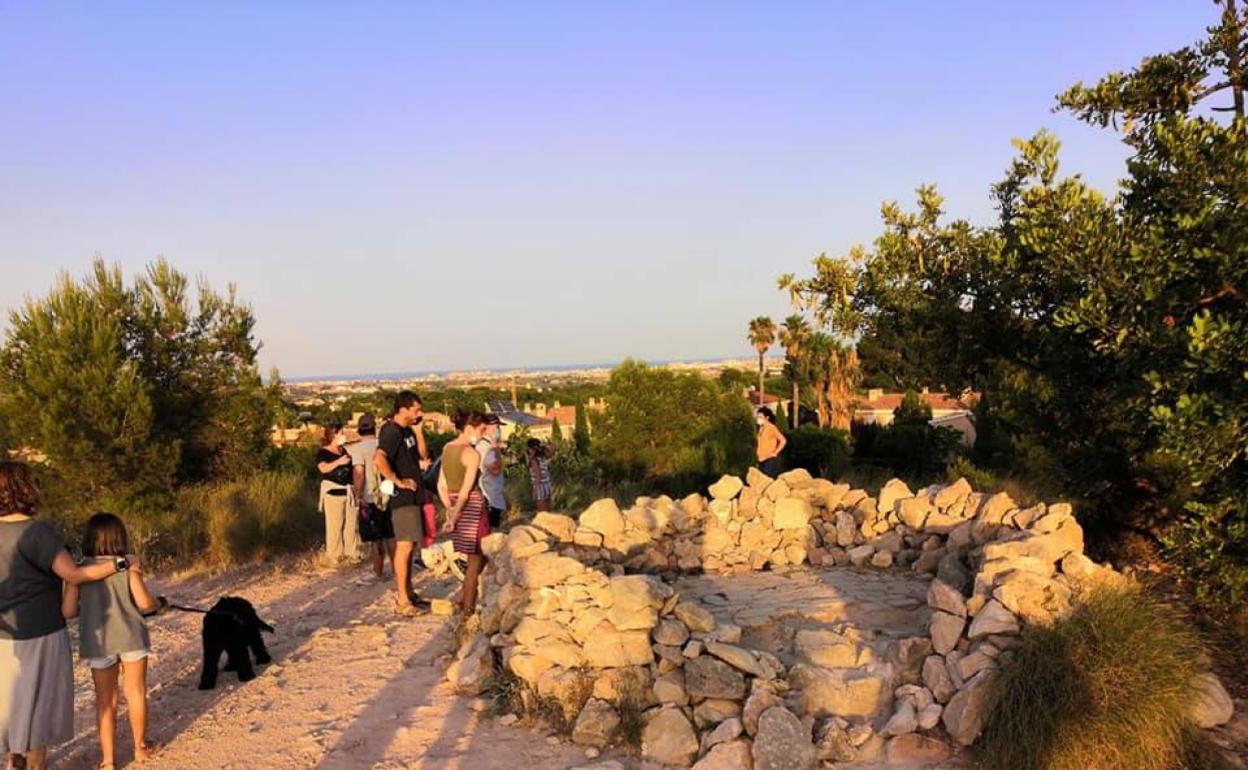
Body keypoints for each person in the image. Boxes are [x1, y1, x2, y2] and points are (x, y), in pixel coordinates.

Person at [0, 462, 125, 770]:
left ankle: (13, 760)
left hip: (4, 638)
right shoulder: (38, 532)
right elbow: (73, 574)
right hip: (41, 633)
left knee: (12, 705)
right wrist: (118, 565)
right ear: (27, 488)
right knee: (38, 708)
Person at [62, 513, 166, 770]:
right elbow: (144, 604)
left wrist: (77, 588)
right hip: (131, 636)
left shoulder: (78, 569)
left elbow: (68, 611)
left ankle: (108, 761)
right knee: (136, 692)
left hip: (98, 641)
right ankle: (140, 748)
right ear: (120, 537)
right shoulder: (127, 564)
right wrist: (159, 604)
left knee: (105, 700)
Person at [375, 391, 430, 616]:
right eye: (416, 409)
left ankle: (409, 592)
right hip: (403, 499)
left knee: (411, 545)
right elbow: (379, 459)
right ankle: (402, 599)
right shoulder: (390, 431)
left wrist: (418, 432)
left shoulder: (407, 431)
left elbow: (422, 455)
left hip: (414, 497)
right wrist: (397, 481)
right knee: (404, 547)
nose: (420, 413)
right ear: (403, 409)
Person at [437, 411, 490, 616]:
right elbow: (466, 491)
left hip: (453, 503)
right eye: (482, 429)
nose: (484, 433)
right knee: (475, 561)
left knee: (473, 559)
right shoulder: (472, 454)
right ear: (470, 428)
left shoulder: (447, 448)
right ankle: (467, 609)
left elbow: (441, 484)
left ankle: (463, 599)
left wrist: (449, 510)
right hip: (472, 508)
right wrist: (455, 515)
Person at [349, 413, 394, 583]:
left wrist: (357, 494)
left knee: (375, 537)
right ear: (374, 427)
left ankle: (378, 572)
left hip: (370, 496)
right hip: (388, 494)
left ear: (359, 429)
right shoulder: (383, 445)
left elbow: (359, 474)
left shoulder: (358, 449)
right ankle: (397, 569)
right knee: (390, 534)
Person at [316, 422, 359, 565]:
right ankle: (334, 555)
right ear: (334, 435)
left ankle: (351, 553)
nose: (344, 436)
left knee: (351, 525)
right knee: (335, 526)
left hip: (348, 492)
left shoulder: (344, 451)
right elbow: (323, 468)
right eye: (341, 433)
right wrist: (339, 462)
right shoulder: (323, 452)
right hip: (333, 493)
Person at [476, 414, 507, 529]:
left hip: (493, 494)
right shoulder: (485, 447)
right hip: (490, 496)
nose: (498, 430)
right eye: (496, 426)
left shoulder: (487, 445)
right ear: (486, 427)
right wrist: (497, 451)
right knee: (492, 530)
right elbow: (495, 470)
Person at [755, 406, 787, 477]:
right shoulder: (760, 428)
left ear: (767, 418)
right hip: (760, 460)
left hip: (769, 460)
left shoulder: (771, 428)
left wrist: (775, 453)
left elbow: (783, 440)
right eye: (757, 417)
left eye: (760, 417)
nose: (758, 419)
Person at [526, 438, 553, 512]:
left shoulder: (534, 460)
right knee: (549, 511)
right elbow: (551, 451)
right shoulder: (542, 458)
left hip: (540, 487)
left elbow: (538, 475)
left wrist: (536, 490)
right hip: (547, 485)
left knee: (542, 513)